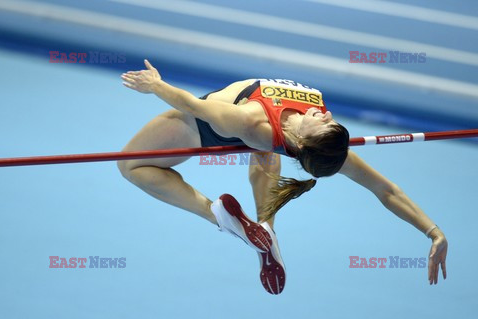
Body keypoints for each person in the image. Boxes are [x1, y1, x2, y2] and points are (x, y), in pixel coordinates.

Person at [118, 60, 448, 295]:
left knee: (130, 166)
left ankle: (216, 215)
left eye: (325, 123)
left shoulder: (251, 121)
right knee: (265, 152)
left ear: (305, 143)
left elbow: (193, 105)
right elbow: (385, 189)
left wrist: (155, 85)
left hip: (206, 125)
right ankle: (266, 231)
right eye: (330, 120)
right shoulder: (325, 148)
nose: (327, 114)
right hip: (265, 138)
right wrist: (434, 233)